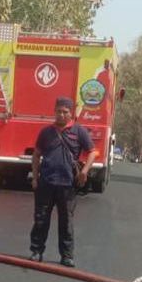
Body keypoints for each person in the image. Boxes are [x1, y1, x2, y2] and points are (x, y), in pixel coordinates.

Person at [29, 97, 99, 267]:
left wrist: (84, 171)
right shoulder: (46, 132)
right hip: (46, 182)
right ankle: (36, 251)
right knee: (40, 219)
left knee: (66, 221)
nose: (61, 115)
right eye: (59, 111)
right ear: (55, 111)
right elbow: (36, 155)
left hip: (67, 186)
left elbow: (92, 152)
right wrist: (35, 177)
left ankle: (66, 256)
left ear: (71, 113)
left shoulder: (79, 131)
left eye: (65, 112)